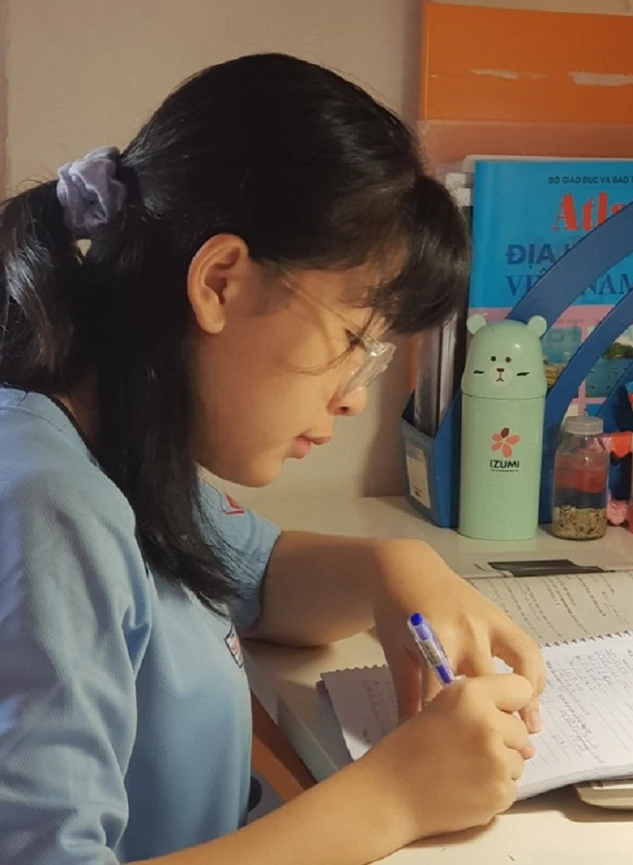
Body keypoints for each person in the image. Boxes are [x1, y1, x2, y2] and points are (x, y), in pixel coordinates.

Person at [0, 53, 545, 865]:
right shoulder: (50, 508)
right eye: (353, 341)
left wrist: (392, 569)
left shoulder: (120, 437)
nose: (354, 397)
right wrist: (393, 797)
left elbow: (259, 577)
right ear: (221, 281)